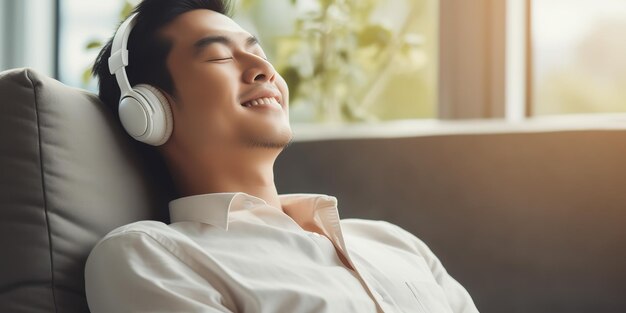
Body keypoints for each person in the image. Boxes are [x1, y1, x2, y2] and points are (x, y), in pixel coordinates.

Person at [85, 0, 480, 312]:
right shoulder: (151, 255)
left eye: (258, 52)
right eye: (220, 57)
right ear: (148, 111)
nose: (264, 69)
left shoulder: (394, 243)